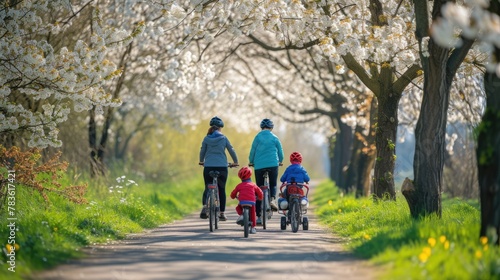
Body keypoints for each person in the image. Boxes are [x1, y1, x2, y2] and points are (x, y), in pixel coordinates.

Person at [199, 116, 239, 221]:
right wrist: (235, 161)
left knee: (207, 186)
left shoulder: (206, 138)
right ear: (220, 128)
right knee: (221, 189)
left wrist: (201, 160)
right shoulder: (224, 138)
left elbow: (202, 150)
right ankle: (222, 213)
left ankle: (204, 207)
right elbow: (231, 150)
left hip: (208, 167)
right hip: (222, 167)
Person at [248, 118, 284, 225]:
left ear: (261, 127)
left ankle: (259, 216)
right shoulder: (275, 137)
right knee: (273, 183)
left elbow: (253, 150)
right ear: (271, 128)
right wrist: (280, 161)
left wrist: (251, 161)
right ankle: (272, 199)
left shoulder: (257, 137)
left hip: (259, 165)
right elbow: (280, 151)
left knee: (258, 189)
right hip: (273, 164)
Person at [230, 166, 263, 234]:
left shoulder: (239, 185)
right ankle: (253, 227)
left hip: (242, 202)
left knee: (238, 207)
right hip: (252, 201)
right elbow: (260, 192)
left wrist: (233, 196)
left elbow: (233, 193)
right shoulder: (253, 185)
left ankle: (242, 215)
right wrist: (260, 197)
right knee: (253, 213)